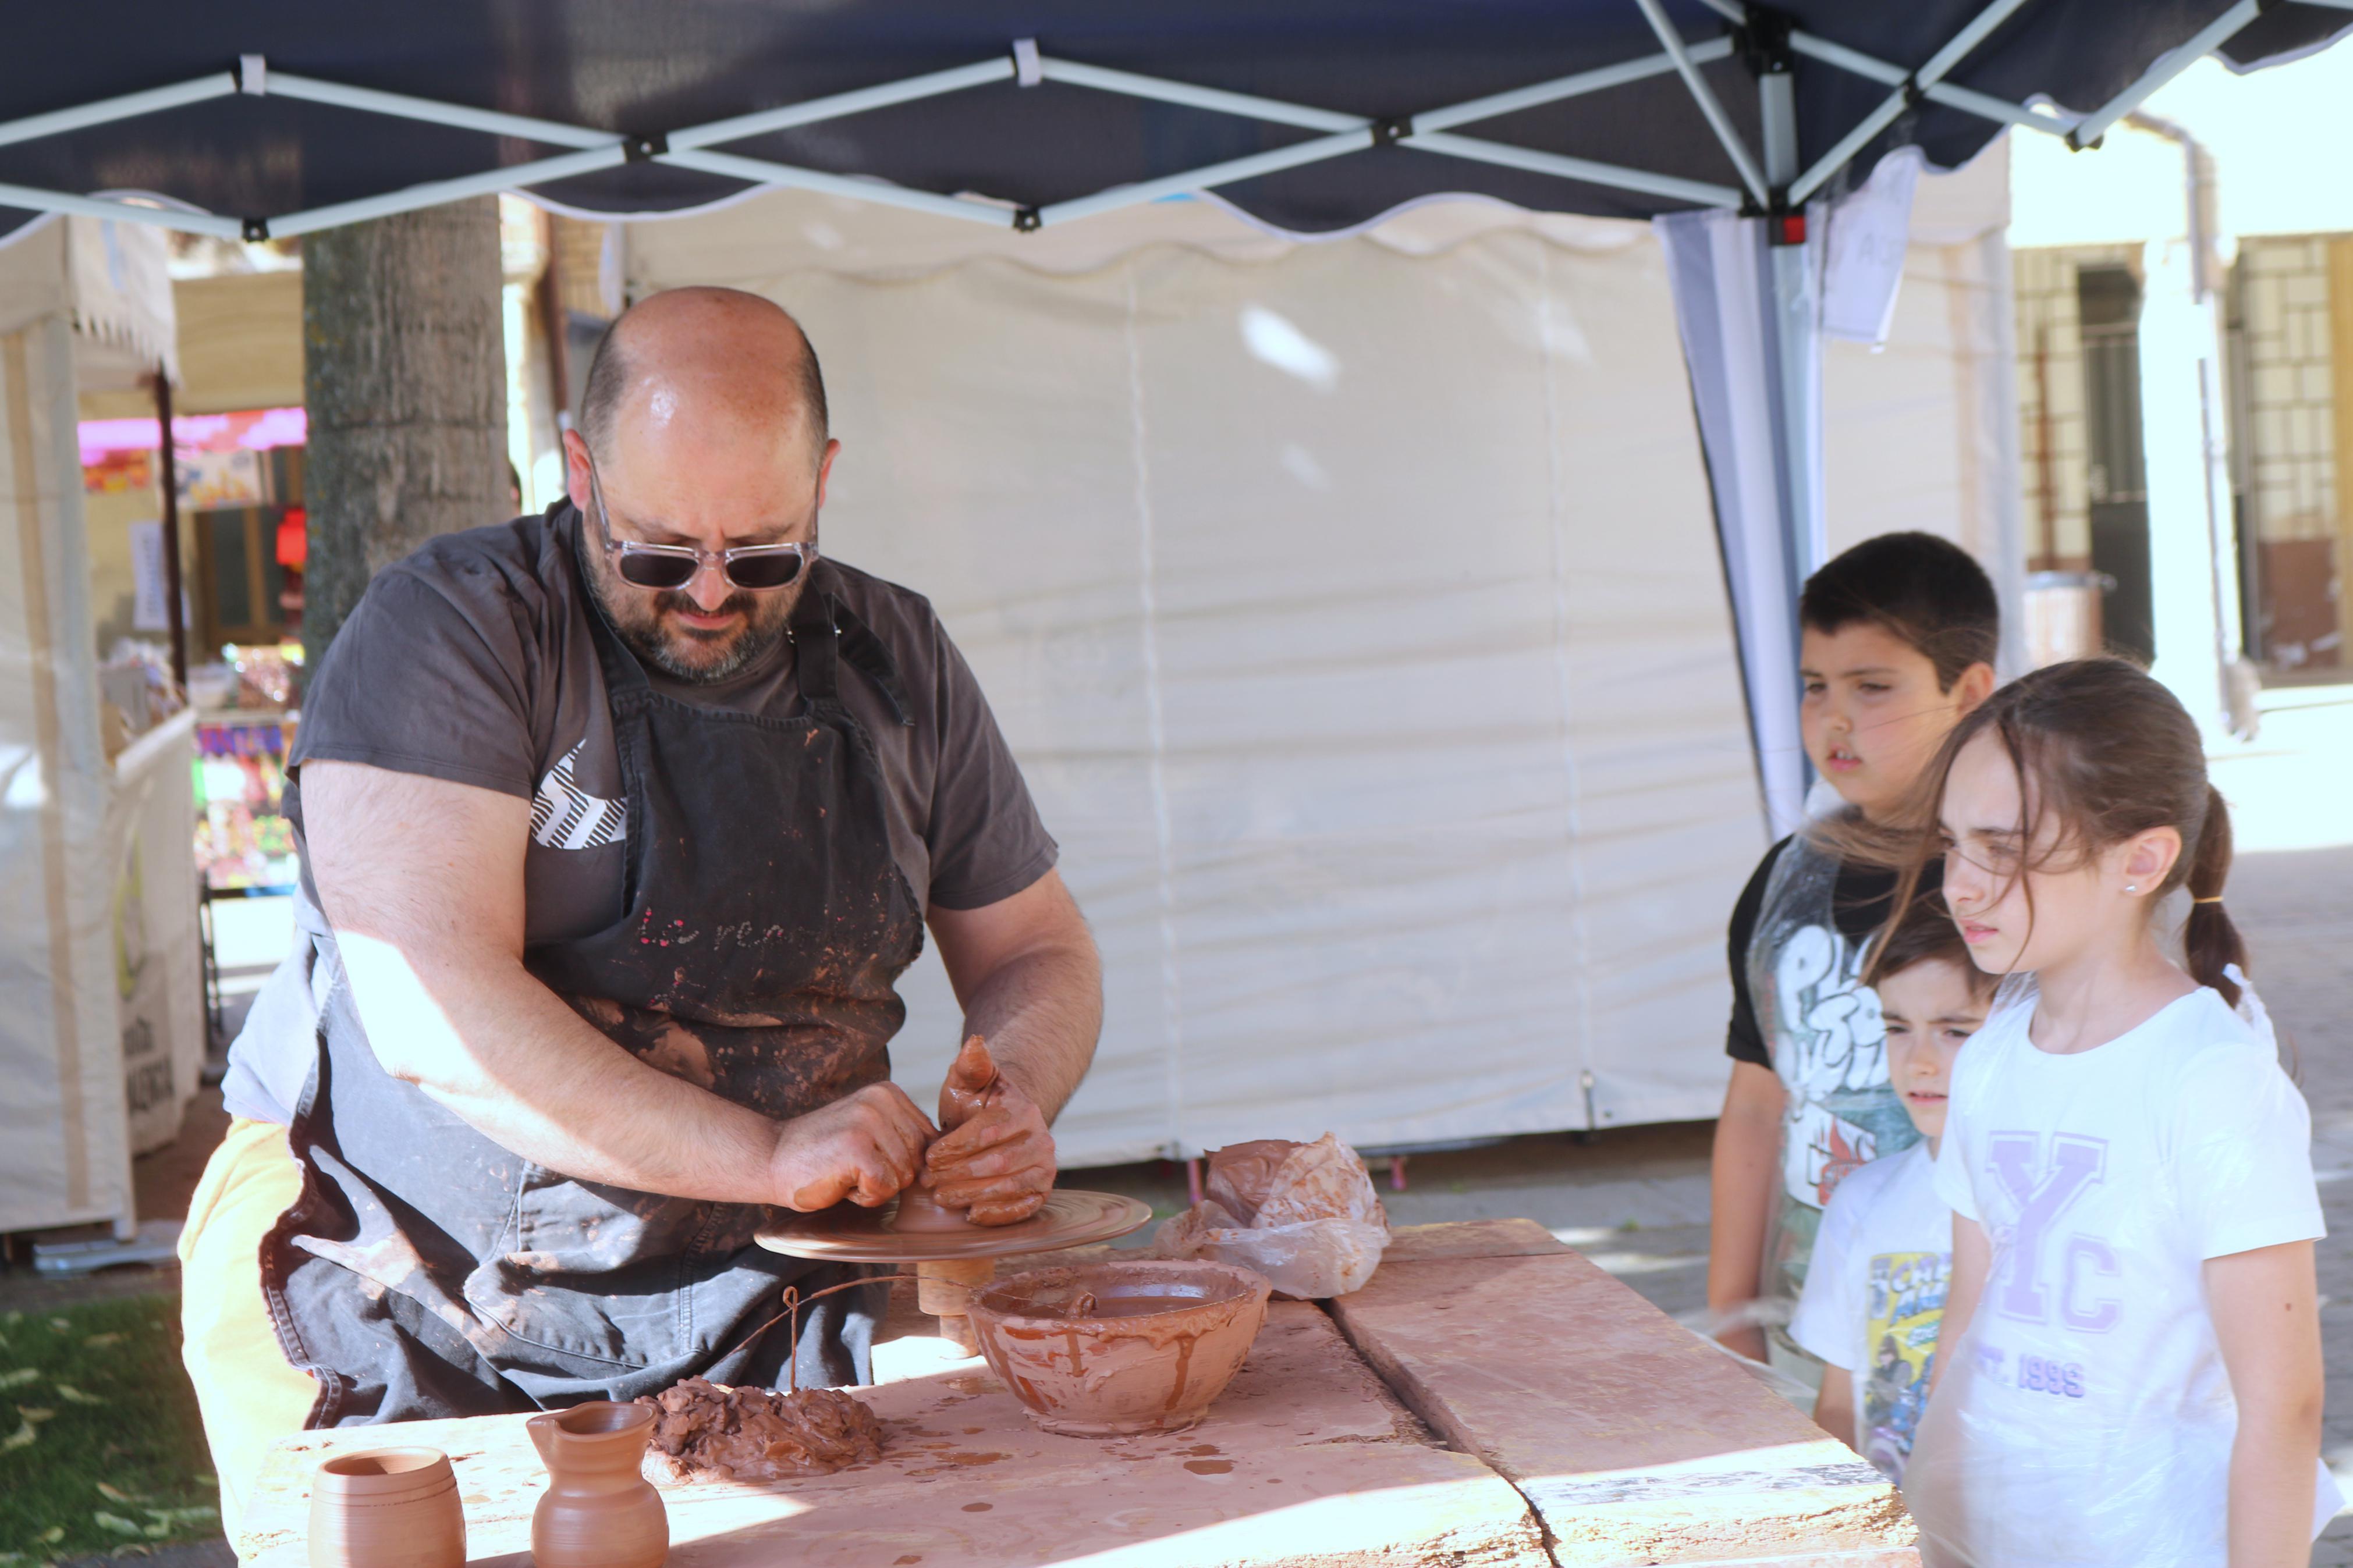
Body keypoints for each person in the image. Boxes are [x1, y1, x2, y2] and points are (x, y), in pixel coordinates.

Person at [177, 287, 1103, 1531]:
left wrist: (1018, 1095)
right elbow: (429, 1006)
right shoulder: (455, 630)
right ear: (580, 471)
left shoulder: (895, 655)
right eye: (660, 550)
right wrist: (769, 1155)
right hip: (408, 1262)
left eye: (764, 551)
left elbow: (1036, 945)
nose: (712, 594)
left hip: (760, 1271)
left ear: (823, 483)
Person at [1890, 659, 2333, 1565]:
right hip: (1993, 1536)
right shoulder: (1989, 1057)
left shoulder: (2209, 1076)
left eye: (2002, 846)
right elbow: (1967, 1323)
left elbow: (2281, 1405)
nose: (1959, 884)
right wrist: (1930, 1528)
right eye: (1951, 841)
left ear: (2140, 859)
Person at [1707, 532, 1997, 1366]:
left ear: (1968, 692)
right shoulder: (1781, 881)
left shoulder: (2019, 882)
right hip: (1811, 1325)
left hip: (1984, 1328)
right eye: (1812, 686)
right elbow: (1758, 1104)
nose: (1833, 718)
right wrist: (1733, 1316)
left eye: (1872, 687)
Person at [1788, 893, 1993, 1483]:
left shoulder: (2056, 1204)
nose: (1919, 1062)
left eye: (1954, 1030)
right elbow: (1837, 1405)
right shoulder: (1862, 1202)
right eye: (1896, 1027)